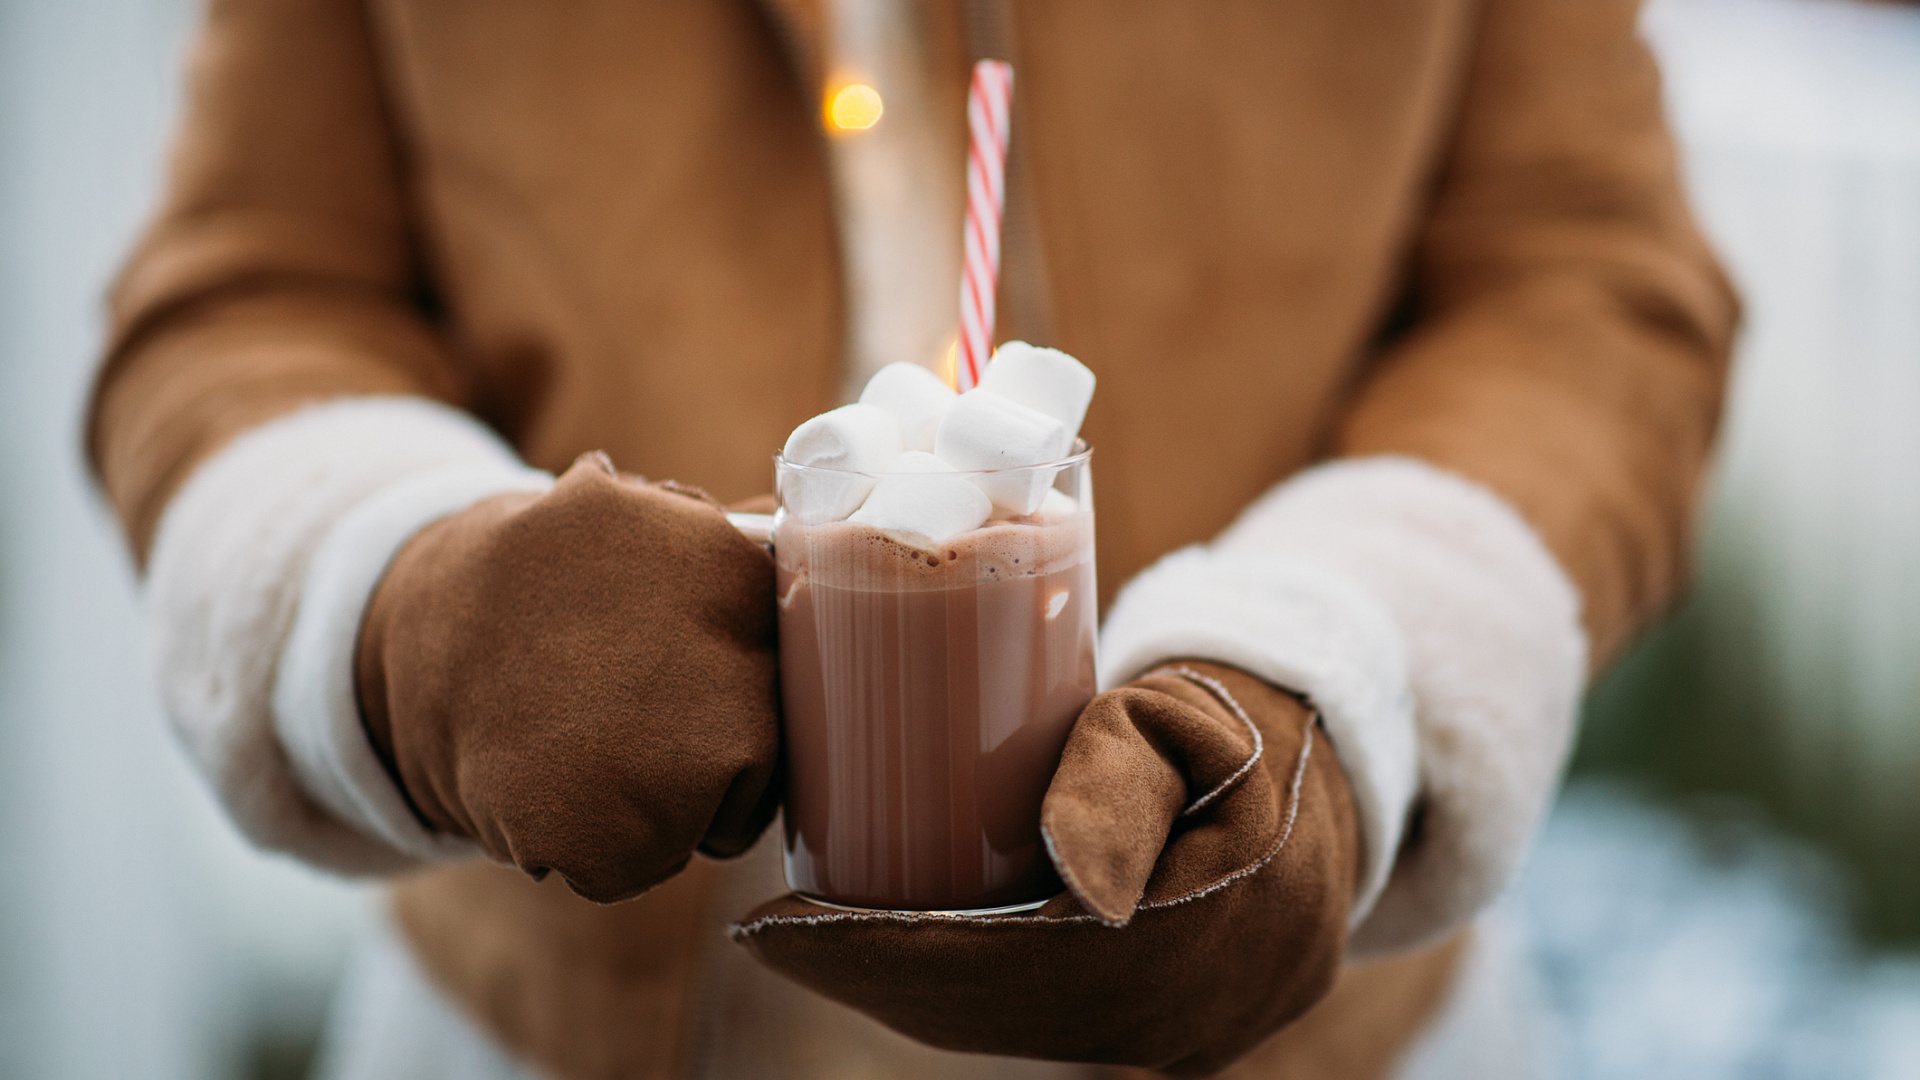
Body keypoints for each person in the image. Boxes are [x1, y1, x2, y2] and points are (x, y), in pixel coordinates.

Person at [86, 0, 1735, 1077]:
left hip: (1299, 1038)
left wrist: (1347, 661)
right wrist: (407, 602)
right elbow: (252, 294)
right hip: (568, 1019)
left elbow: (1586, 286)